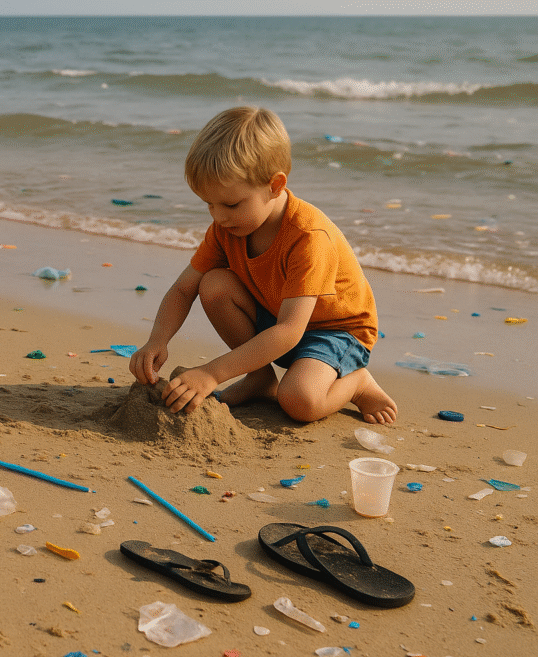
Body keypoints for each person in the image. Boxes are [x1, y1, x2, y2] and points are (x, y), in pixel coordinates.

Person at [129, 106, 397, 425]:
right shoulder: (228, 228)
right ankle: (260, 378)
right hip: (280, 319)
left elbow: (288, 332)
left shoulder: (308, 237)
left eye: (230, 204)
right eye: (209, 204)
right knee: (213, 283)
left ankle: (357, 383)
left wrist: (212, 373)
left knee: (299, 401)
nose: (218, 216)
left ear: (275, 185)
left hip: (335, 332)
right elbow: (183, 288)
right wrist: (157, 339)